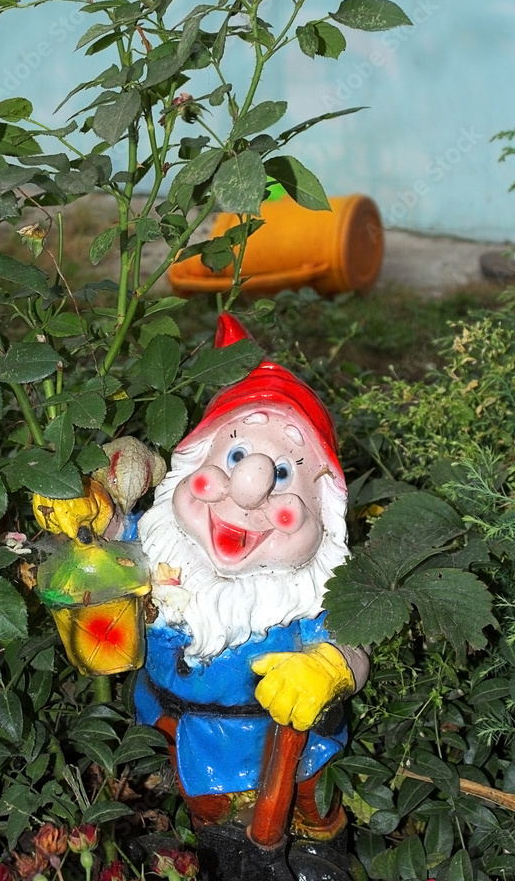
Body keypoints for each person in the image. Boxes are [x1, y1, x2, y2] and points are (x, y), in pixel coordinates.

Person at [134, 312, 368, 844]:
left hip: (287, 750)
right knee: (205, 811)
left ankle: (318, 845)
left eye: (282, 472)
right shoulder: (157, 544)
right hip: (183, 732)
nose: (247, 489)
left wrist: (330, 668)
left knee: (310, 806)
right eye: (236, 453)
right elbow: (101, 546)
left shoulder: (307, 595)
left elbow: (353, 645)